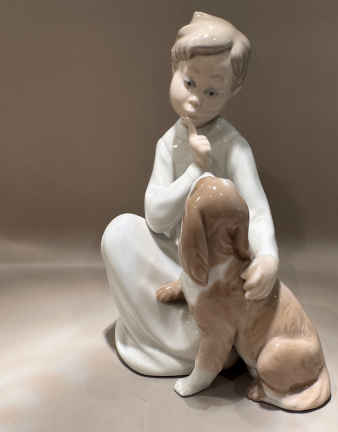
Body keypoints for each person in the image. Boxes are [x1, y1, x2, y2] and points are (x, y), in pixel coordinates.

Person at [101, 12, 279, 376]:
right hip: (177, 258)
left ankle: (207, 342)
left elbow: (257, 212)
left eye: (211, 91)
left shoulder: (234, 147)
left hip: (217, 271)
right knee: (118, 233)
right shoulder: (168, 144)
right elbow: (156, 217)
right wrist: (195, 170)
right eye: (189, 82)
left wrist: (268, 256)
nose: (195, 99)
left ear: (232, 92)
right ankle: (164, 338)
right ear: (174, 70)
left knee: (219, 288)